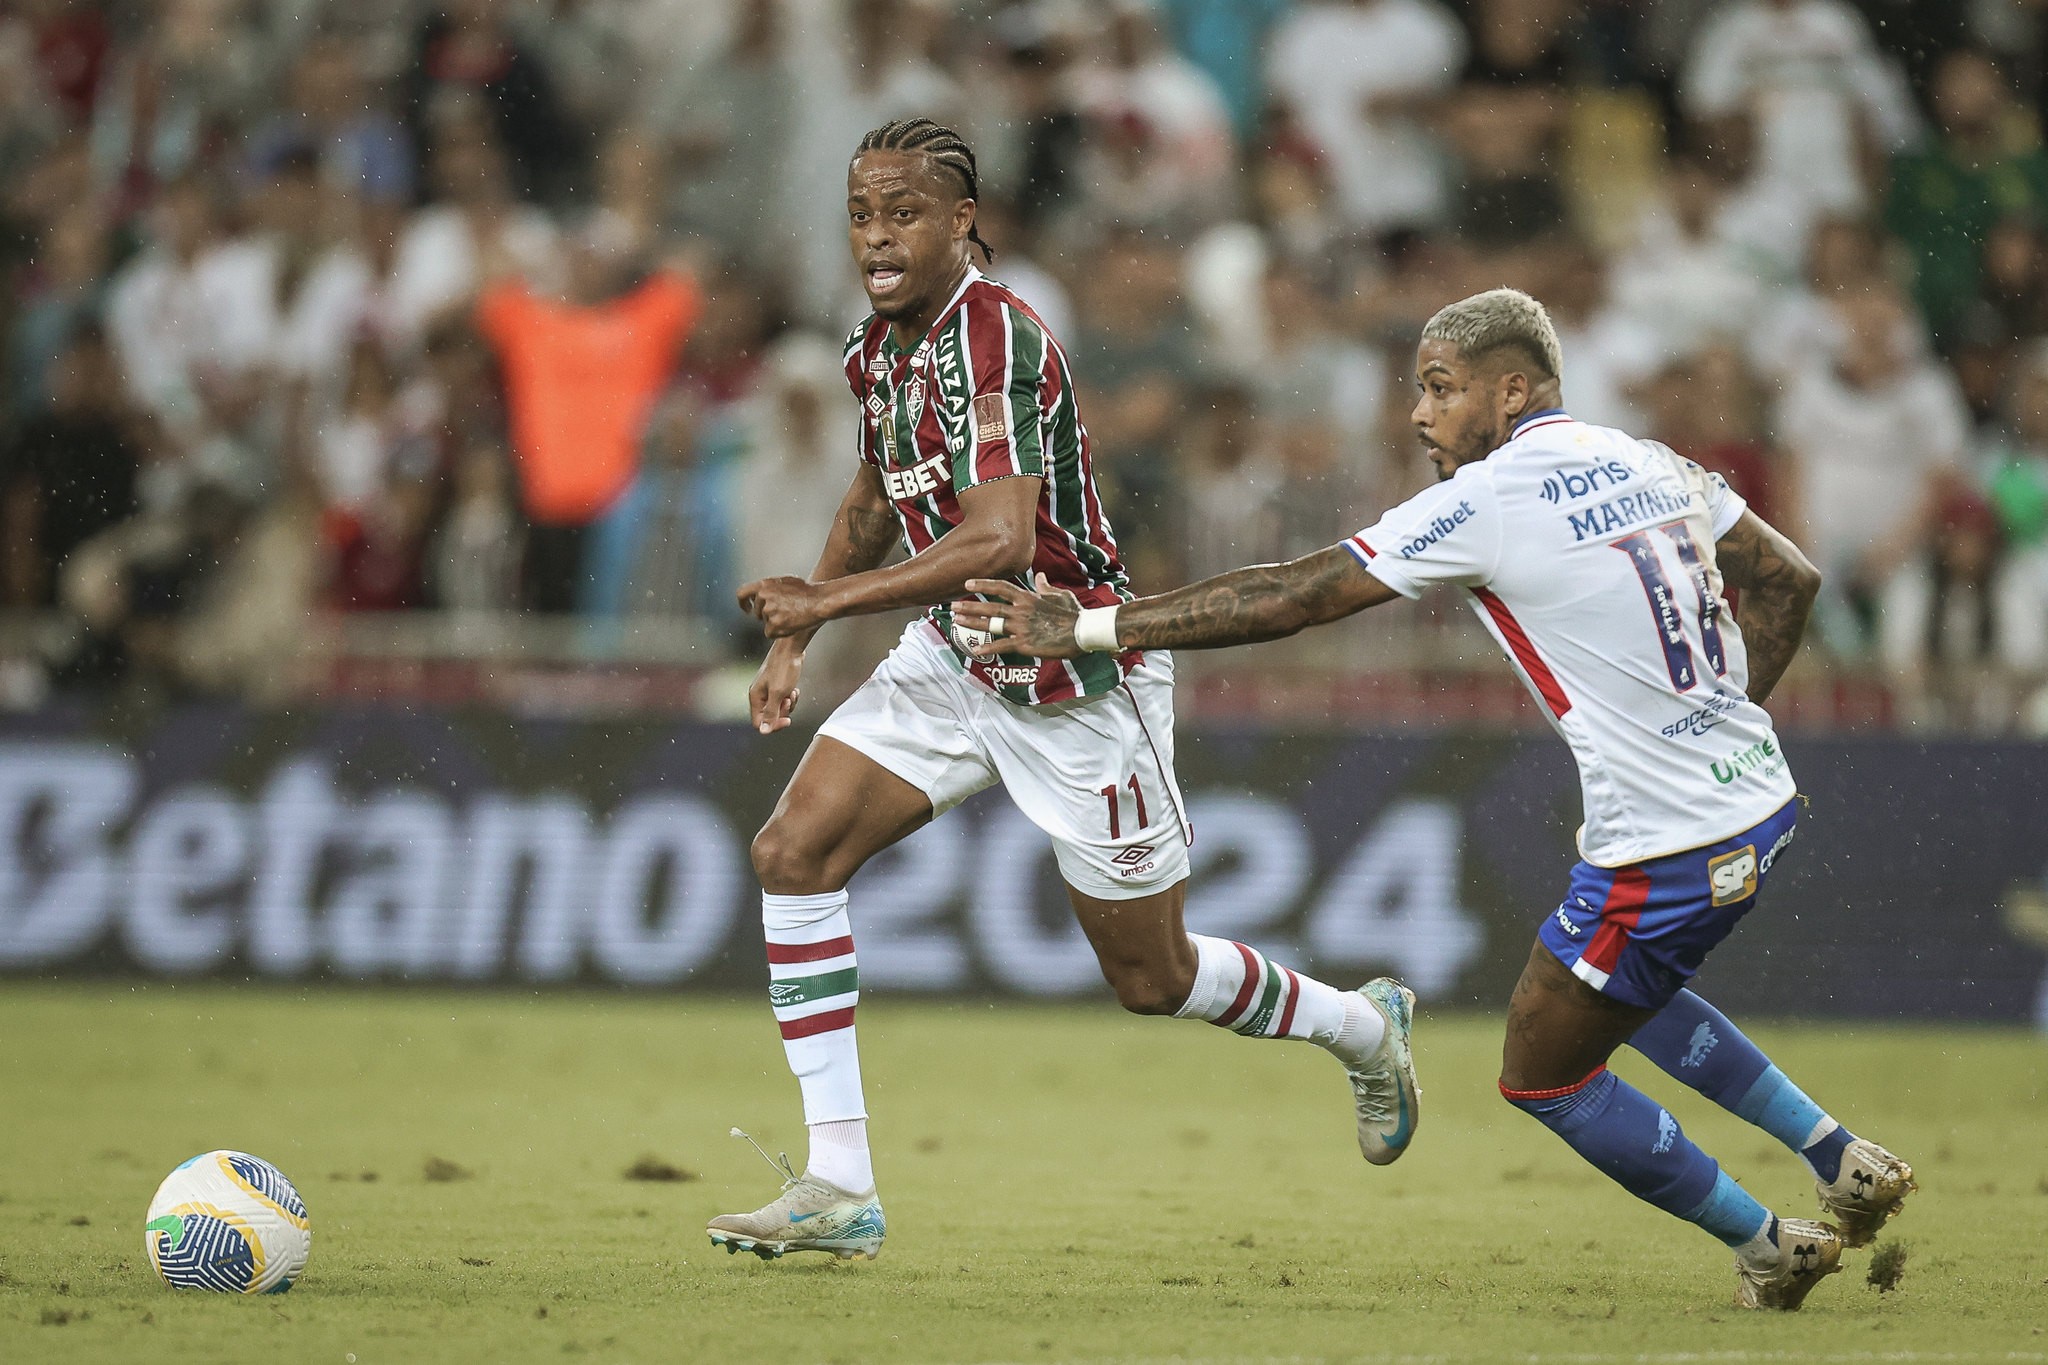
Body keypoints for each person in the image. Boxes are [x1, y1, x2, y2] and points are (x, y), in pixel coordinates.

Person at [955, 288, 1916, 1311]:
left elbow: (1293, 595)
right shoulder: (1643, 458)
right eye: (1417, 390)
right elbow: (1788, 579)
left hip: (1666, 848)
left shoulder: (1490, 499)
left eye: (1441, 389)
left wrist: (1093, 629)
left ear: (1511, 391)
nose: (1418, 414)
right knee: (1614, 999)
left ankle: (1770, 1248)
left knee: (1541, 1070)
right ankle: (1837, 1158)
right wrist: (1712, 725)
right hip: (1755, 801)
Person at [707, 117, 1421, 1263]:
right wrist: (799, 630)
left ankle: (1358, 1028)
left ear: (961, 222)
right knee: (792, 853)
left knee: (1153, 975)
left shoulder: (994, 339)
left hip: (1075, 671)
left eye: (901, 213)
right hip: (953, 658)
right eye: (859, 214)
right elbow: (874, 496)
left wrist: (827, 607)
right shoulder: (876, 349)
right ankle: (840, 1180)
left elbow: (997, 537)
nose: (876, 237)